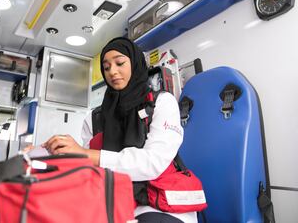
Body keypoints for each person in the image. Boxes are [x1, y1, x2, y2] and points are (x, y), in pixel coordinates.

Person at [43, 37, 197, 223]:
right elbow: (88, 169)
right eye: (106, 67)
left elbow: (153, 164)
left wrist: (86, 154)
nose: (112, 72)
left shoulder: (162, 103)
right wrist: (49, 156)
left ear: (134, 63)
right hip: (113, 200)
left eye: (120, 63)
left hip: (158, 204)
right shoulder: (94, 118)